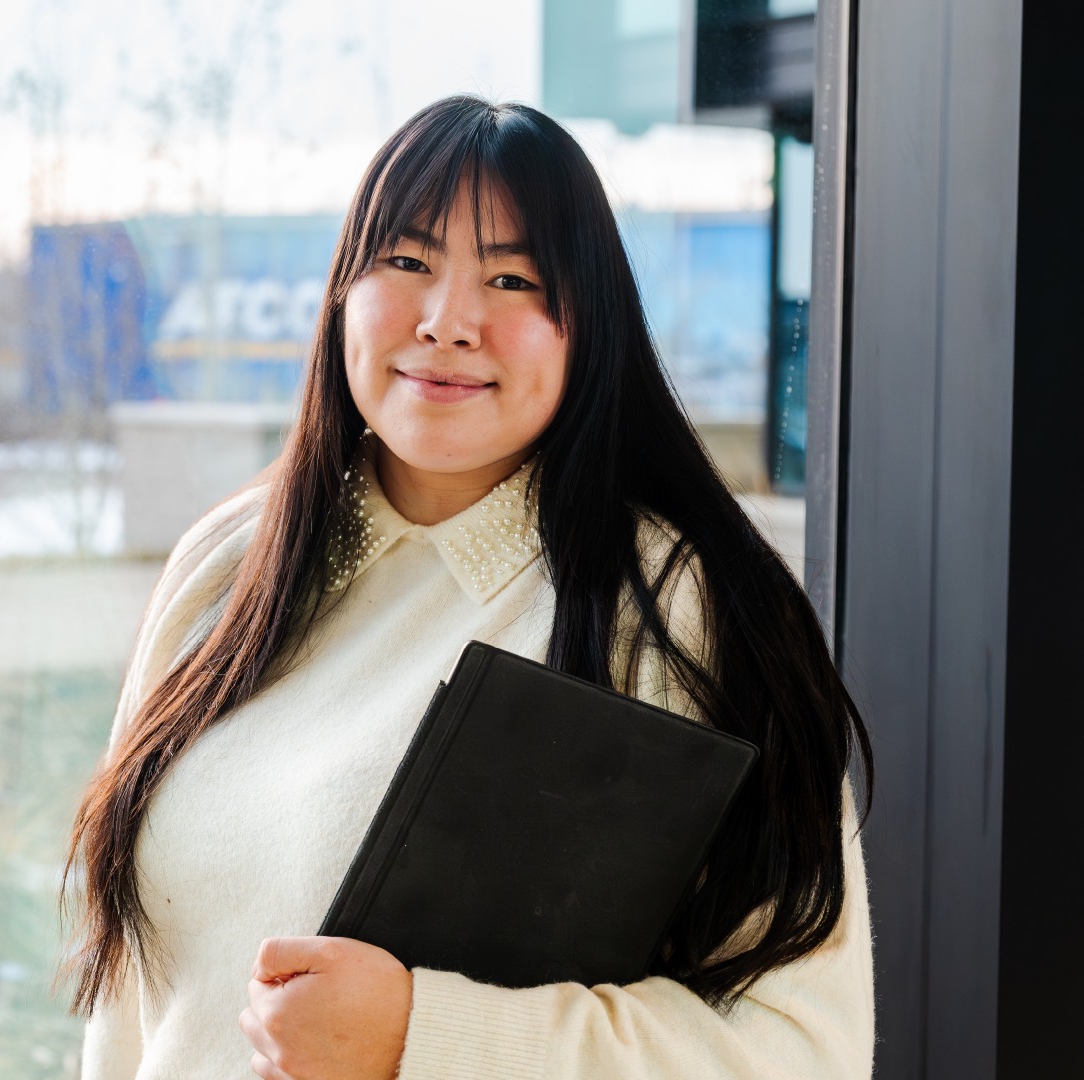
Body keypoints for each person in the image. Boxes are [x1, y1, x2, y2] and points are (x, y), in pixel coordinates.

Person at [64, 95, 874, 1080]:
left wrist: (426, 1037)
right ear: (341, 293)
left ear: (593, 324)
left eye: (513, 277)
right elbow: (127, 1016)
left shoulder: (680, 607)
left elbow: (801, 1052)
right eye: (405, 262)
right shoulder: (230, 563)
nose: (448, 322)